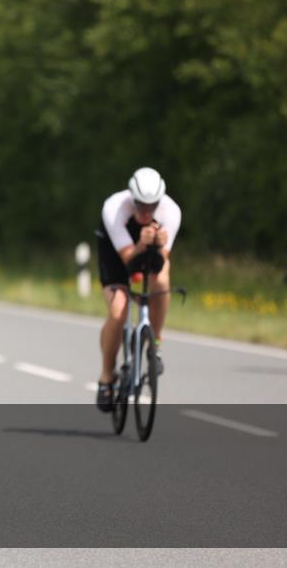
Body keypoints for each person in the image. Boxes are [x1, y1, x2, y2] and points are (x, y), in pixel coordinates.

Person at [95, 167, 181, 412]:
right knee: (118, 310)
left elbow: (159, 263)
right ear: (132, 198)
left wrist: (159, 246)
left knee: (161, 281)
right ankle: (105, 377)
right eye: (141, 205)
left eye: (151, 206)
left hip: (147, 249)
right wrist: (142, 245)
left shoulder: (170, 211)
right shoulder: (114, 209)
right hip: (116, 252)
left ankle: (156, 341)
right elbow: (127, 261)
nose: (146, 211)